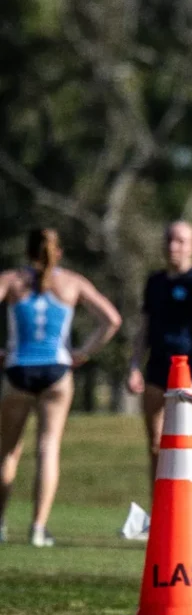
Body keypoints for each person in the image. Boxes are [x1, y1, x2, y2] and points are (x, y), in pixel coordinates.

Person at [0, 228, 122, 547]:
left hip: (17, 371)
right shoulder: (72, 282)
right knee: (48, 447)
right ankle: (38, 529)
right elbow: (112, 319)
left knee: (8, 452)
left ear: (27, 252)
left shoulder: (11, 280)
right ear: (59, 253)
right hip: (56, 371)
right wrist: (83, 352)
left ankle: (0, 524)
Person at [126, 220, 192, 539]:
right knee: (156, 445)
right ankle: (161, 513)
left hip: (188, 376)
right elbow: (143, 330)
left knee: (187, 445)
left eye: (181, 241)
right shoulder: (155, 282)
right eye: (170, 239)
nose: (174, 246)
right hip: (156, 372)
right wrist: (134, 365)